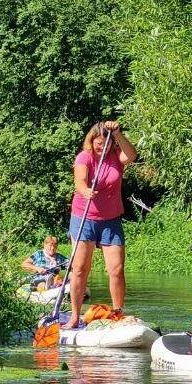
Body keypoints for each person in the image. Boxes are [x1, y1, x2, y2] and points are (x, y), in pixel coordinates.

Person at [67, 120, 137, 328]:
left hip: (111, 220)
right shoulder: (84, 157)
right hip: (84, 217)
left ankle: (117, 313)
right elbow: (79, 181)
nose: (101, 146)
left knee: (116, 269)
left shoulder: (116, 156)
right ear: (91, 141)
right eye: (98, 142)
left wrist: (117, 134)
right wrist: (85, 190)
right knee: (80, 269)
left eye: (105, 142)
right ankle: (74, 316)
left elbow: (131, 155)